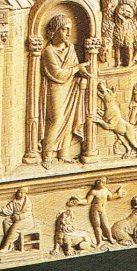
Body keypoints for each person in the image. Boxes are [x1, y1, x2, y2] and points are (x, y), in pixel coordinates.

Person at [40, 15, 89, 168]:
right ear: (55, 30)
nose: (68, 33)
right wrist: (77, 68)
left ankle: (63, 154)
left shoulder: (70, 48)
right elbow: (58, 74)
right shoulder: (48, 51)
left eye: (69, 29)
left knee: (70, 118)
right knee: (57, 120)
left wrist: (81, 73)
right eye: (64, 29)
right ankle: (47, 154)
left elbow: (74, 67)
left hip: (71, 86)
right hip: (56, 88)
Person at [68, 177, 126, 246]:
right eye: (102, 182)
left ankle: (110, 237)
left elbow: (110, 197)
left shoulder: (106, 190)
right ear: (97, 182)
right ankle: (99, 241)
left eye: (105, 182)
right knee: (97, 226)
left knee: (106, 225)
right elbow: (87, 201)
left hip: (102, 210)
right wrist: (79, 201)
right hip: (95, 211)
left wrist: (118, 194)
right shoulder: (93, 192)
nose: (104, 184)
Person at [0, 187, 35, 253]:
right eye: (19, 192)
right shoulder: (14, 202)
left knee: (15, 227)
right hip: (16, 219)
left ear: (26, 193)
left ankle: (6, 246)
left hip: (26, 220)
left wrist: (19, 217)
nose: (20, 194)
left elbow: (28, 213)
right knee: (6, 222)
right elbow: (9, 210)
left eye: (22, 192)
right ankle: (10, 243)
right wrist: (0, 210)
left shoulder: (27, 202)